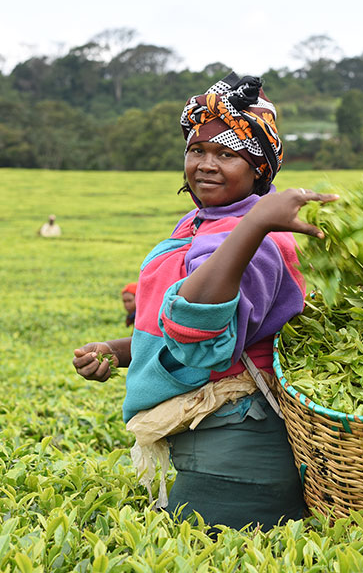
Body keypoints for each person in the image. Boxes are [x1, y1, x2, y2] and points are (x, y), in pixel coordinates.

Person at [71, 72, 337, 530]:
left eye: (228, 154)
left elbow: (203, 339)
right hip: (204, 438)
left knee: (207, 549)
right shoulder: (201, 221)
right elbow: (171, 325)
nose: (207, 165)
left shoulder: (262, 240)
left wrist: (255, 224)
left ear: (260, 169)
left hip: (237, 446)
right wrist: (119, 351)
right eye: (198, 150)